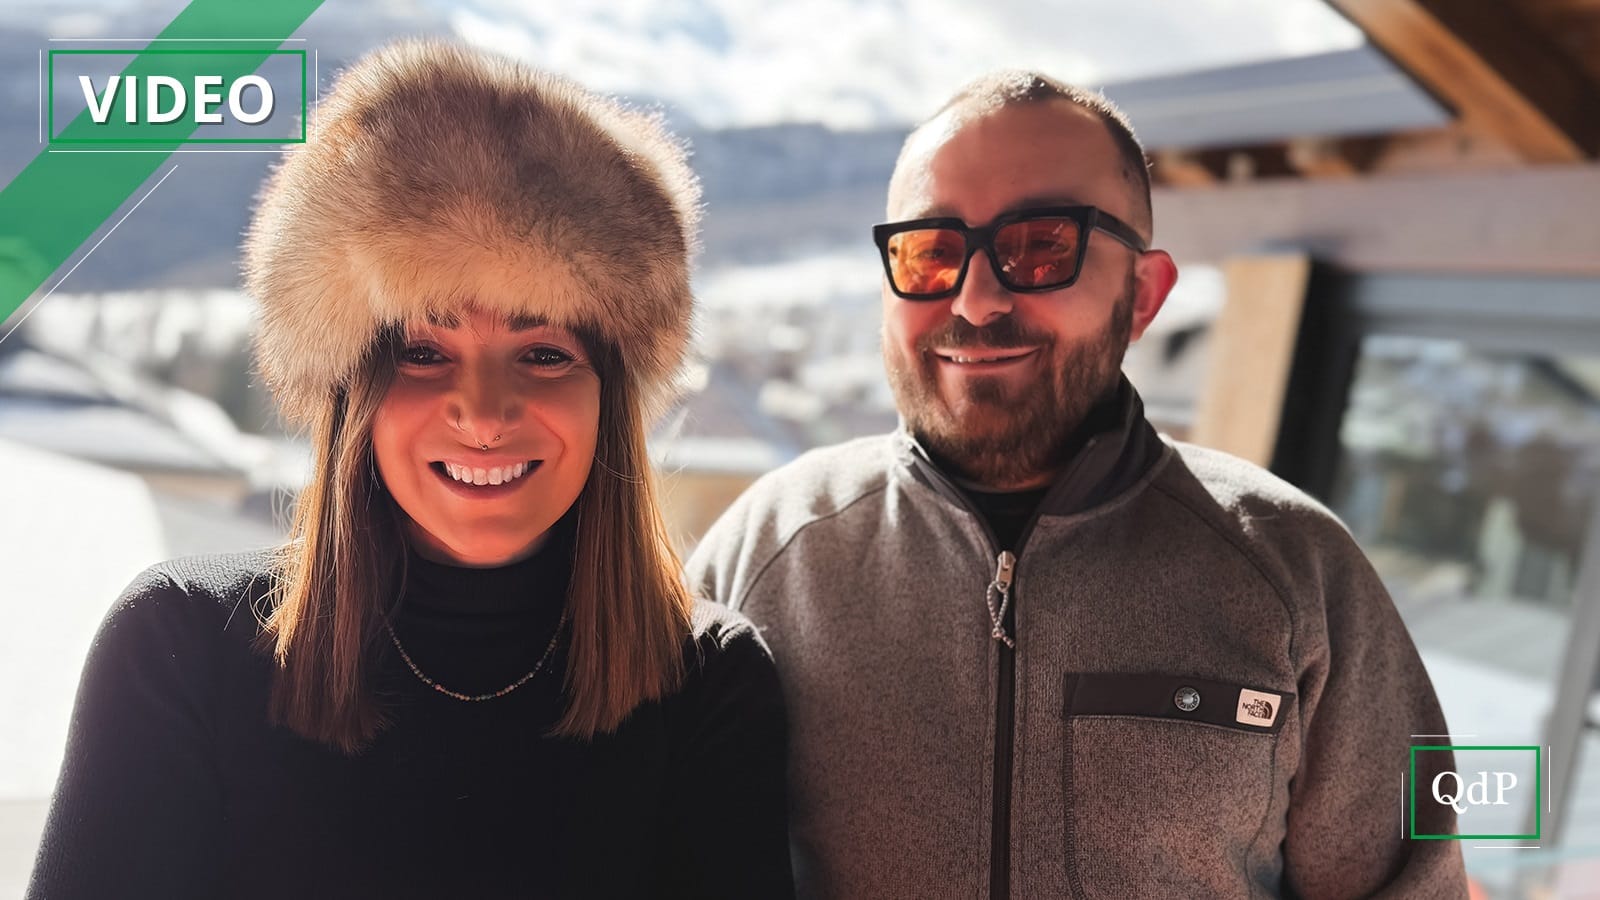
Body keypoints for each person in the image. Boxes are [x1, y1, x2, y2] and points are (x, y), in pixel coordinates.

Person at [29, 41, 793, 899]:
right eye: (425, 351)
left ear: (610, 398)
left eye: (544, 353)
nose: (485, 414)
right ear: (351, 390)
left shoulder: (710, 686)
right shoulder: (179, 648)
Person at [686, 71, 1468, 898]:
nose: (976, 301)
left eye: (1040, 248)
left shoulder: (1297, 573)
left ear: (1144, 294)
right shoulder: (768, 551)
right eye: (932, 252)